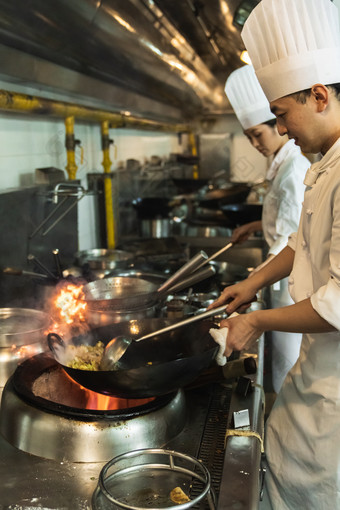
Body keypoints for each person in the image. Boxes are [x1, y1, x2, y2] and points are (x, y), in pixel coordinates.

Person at [209, 0, 340, 507]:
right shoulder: (325, 163)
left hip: (332, 402)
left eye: (282, 115)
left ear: (319, 95)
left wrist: (257, 320)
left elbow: (336, 302)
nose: (281, 130)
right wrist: (254, 282)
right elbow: (300, 242)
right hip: (313, 379)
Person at [225, 64, 310, 393]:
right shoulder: (286, 165)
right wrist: (257, 224)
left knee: (288, 364)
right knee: (282, 362)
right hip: (280, 278)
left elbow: (295, 236)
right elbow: (295, 222)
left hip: (289, 284)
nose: (255, 143)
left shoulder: (295, 168)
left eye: (257, 134)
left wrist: (252, 282)